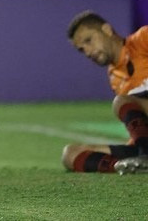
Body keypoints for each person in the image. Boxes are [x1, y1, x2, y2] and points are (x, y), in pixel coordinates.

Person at [62, 10, 148, 174]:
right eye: (81, 49)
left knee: (121, 102)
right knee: (70, 154)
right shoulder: (115, 79)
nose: (87, 51)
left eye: (89, 40)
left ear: (107, 30)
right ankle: (129, 166)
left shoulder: (142, 39)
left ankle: (144, 156)